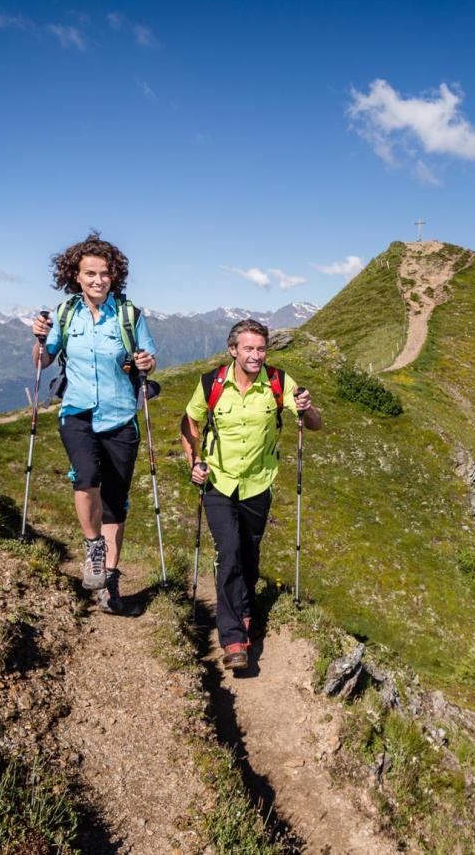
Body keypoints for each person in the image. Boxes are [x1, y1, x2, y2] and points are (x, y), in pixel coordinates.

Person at [180, 318, 321, 669]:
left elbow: (315, 424)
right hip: (219, 481)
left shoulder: (278, 382)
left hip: (258, 483)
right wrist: (194, 460)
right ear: (233, 350)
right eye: (249, 348)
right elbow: (189, 421)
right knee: (228, 552)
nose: (256, 355)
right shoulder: (211, 383)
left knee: (249, 555)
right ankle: (233, 640)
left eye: (261, 348)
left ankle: (245, 611)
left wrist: (306, 407)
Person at [30, 232, 157, 614]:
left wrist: (146, 364)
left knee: (116, 502)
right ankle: (94, 548)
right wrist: (38, 339)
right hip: (77, 411)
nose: (98, 280)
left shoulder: (129, 315)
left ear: (113, 276)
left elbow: (147, 358)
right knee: (86, 477)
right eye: (90, 273)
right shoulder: (66, 313)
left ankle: (109, 587)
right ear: (76, 276)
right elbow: (43, 360)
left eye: (104, 273)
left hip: (120, 415)